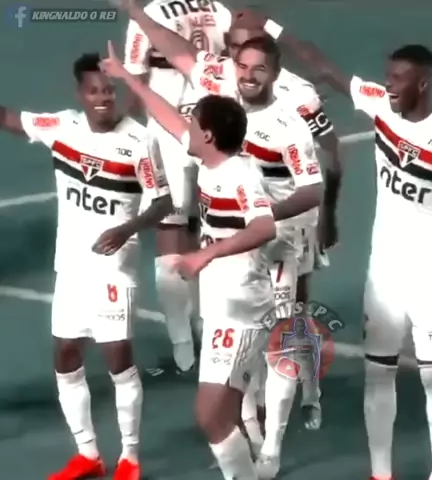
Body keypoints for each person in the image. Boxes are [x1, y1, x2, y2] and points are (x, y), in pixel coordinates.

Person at [118, 0, 340, 429]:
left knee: (290, 315)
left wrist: (327, 213)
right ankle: (257, 421)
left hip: (287, 225)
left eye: (250, 55)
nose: (239, 64)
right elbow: (177, 50)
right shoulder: (219, 75)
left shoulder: (299, 97)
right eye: (233, 52)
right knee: (251, 324)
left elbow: (328, 158)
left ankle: (305, 390)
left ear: (271, 62)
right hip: (238, 221)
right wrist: (138, 15)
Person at [268, 34, 432, 480]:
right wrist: (270, 27)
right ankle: (380, 473)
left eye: (399, 79)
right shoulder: (380, 104)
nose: (389, 85)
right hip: (383, 271)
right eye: (388, 77)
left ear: (423, 83)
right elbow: (326, 67)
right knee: (378, 373)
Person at [95, 40, 277, 480]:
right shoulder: (211, 163)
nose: (186, 128)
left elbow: (264, 226)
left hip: (241, 312)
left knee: (209, 414)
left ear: (209, 136)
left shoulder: (239, 174)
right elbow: (167, 116)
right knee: (222, 415)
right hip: (221, 309)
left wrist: (205, 254)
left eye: (194, 123)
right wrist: (127, 77)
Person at [0, 53, 173, 480]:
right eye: (94, 91)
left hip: (114, 270)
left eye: (108, 90)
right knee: (65, 355)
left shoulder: (139, 141)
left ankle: (130, 458)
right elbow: (8, 118)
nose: (103, 98)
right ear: (80, 94)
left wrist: (127, 228)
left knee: (118, 361)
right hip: (71, 269)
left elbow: (163, 201)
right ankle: (88, 454)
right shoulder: (62, 127)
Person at [123, 0, 233, 376]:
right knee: (208, 230)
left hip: (167, 131)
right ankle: (211, 331)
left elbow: (135, 79)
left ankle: (183, 350)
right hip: (211, 130)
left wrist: (128, 132)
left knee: (170, 229)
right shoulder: (219, 8)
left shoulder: (150, 13)